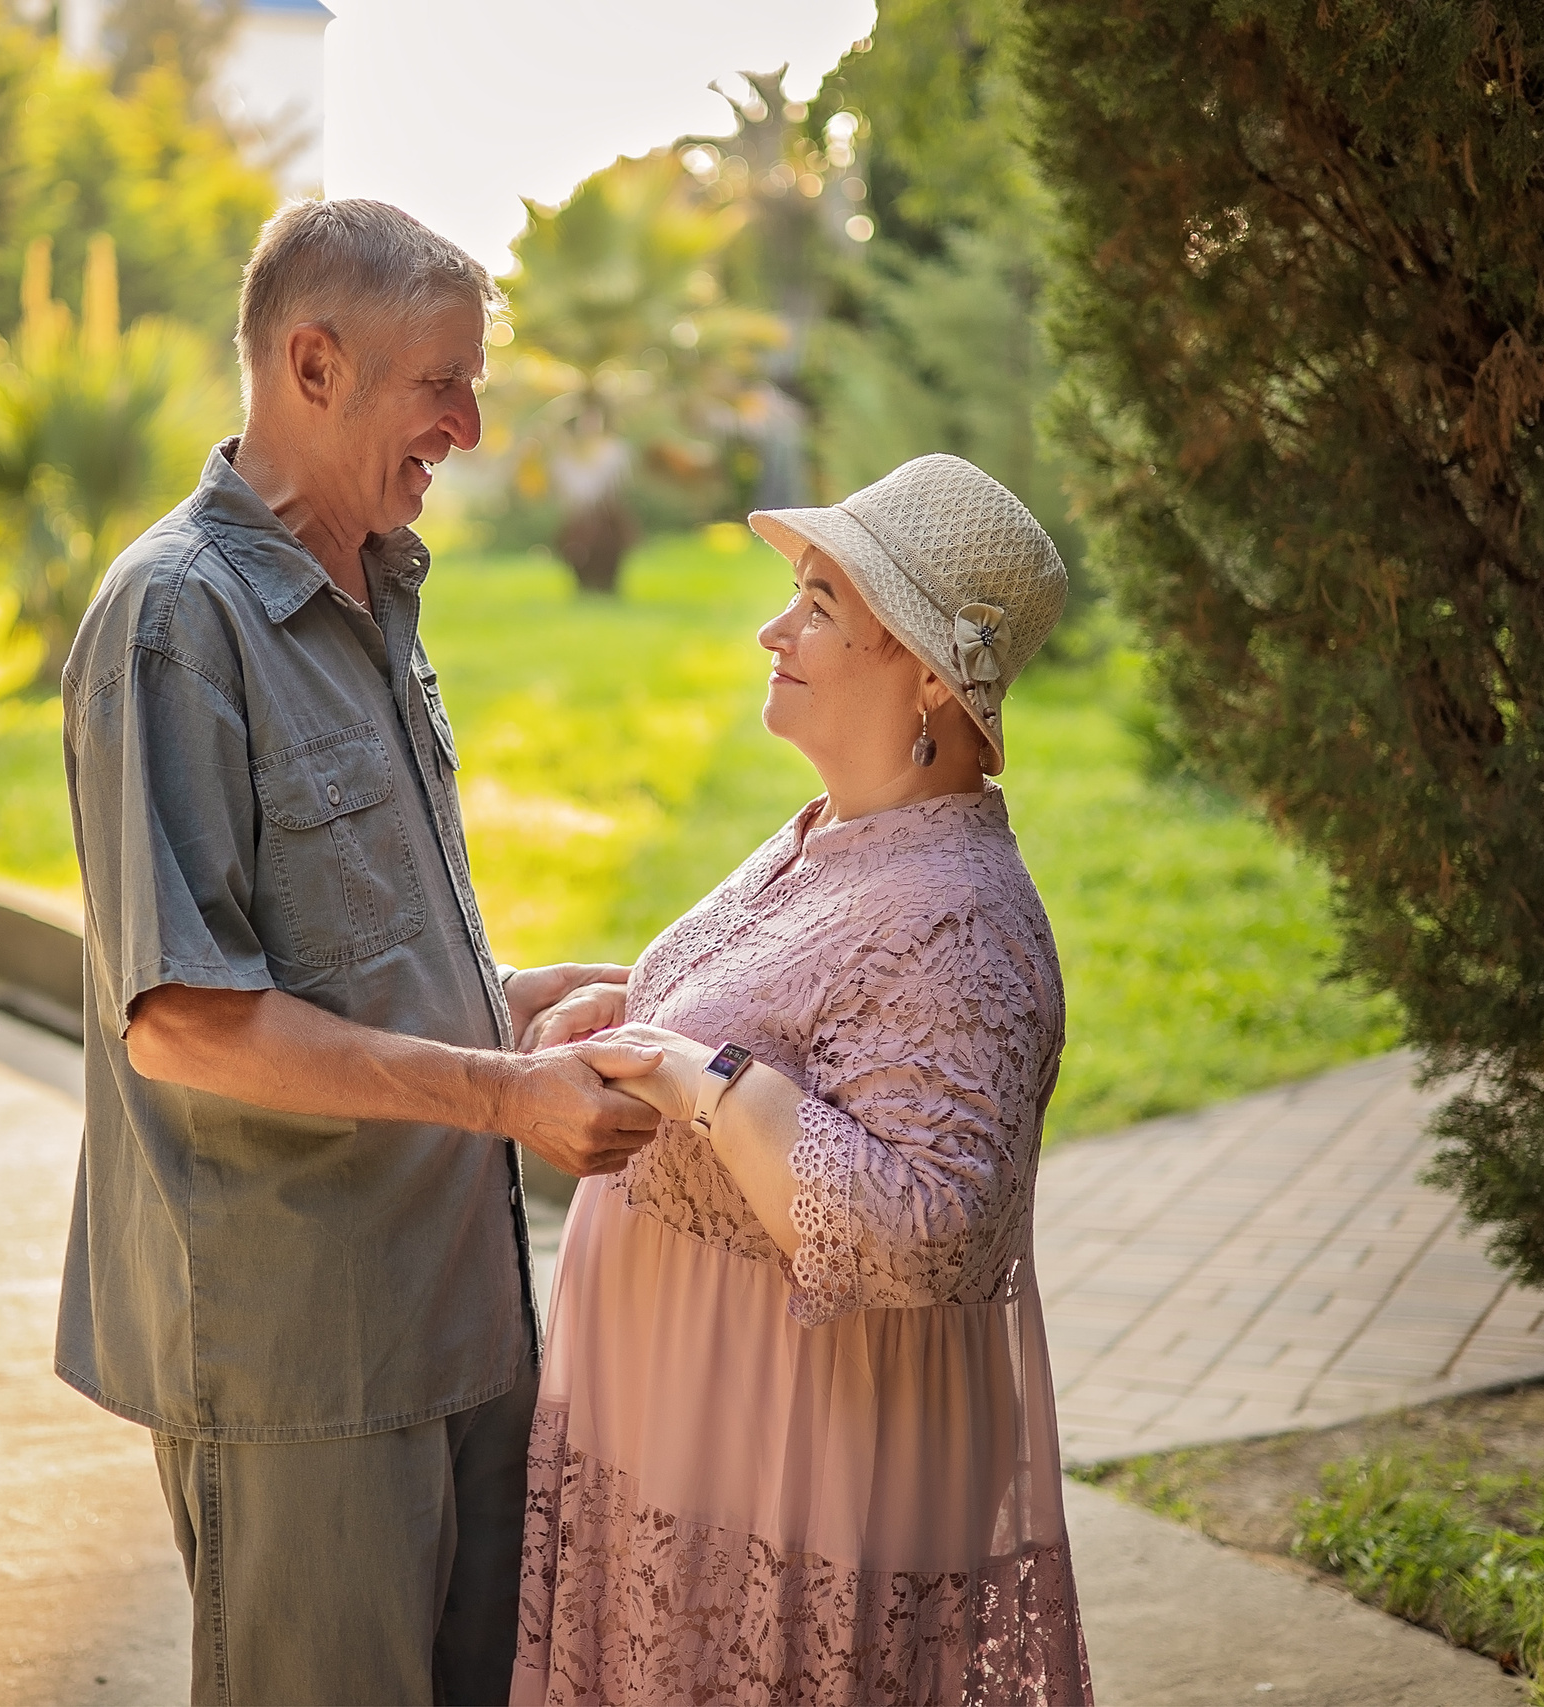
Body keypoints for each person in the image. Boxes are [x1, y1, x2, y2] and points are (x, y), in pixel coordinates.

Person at [52, 198, 669, 1707]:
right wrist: (506, 1097)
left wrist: (549, 1005)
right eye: (439, 383)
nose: (468, 422)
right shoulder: (173, 623)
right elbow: (187, 1020)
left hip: (455, 1324)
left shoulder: (378, 586)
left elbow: (370, 955)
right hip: (301, 1362)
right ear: (313, 364)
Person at [510, 454, 1098, 1704]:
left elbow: (927, 1231)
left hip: (799, 1466)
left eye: (822, 602)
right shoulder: (843, 827)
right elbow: (806, 1018)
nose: (775, 626)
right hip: (696, 1433)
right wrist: (640, 1006)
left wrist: (694, 1071)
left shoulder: (961, 924)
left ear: (932, 672)